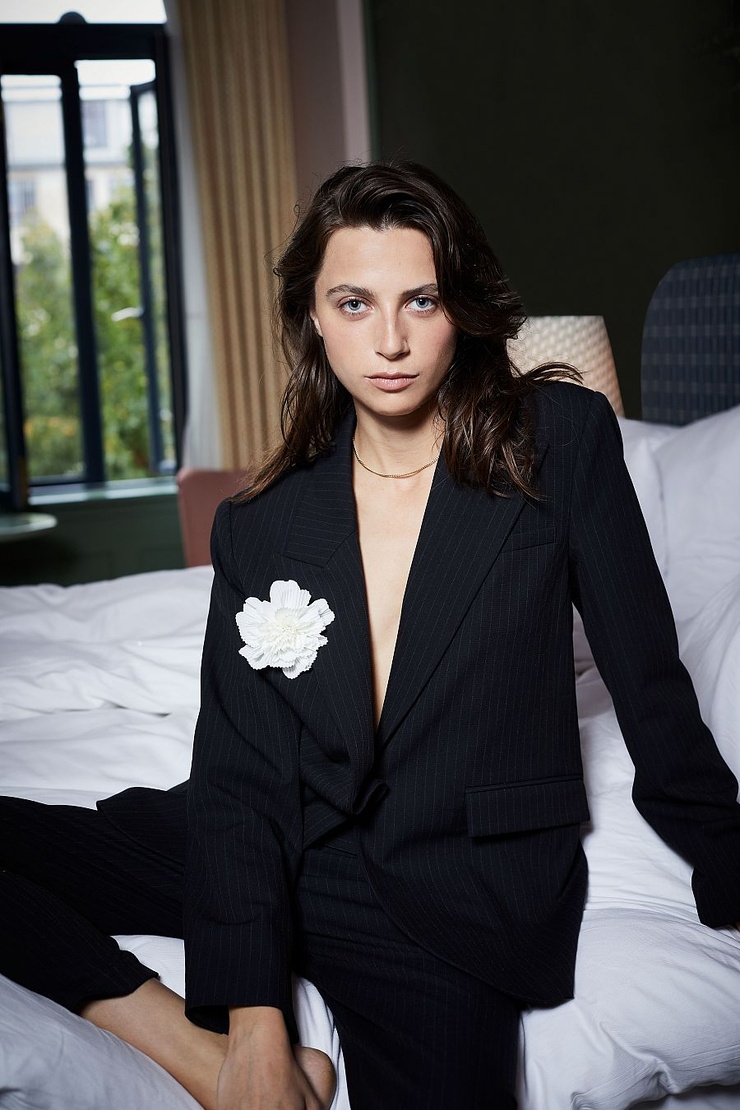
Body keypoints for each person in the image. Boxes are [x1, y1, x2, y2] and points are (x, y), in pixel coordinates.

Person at [2, 161, 740, 1110]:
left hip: (455, 884)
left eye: (420, 301)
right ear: (314, 314)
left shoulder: (557, 439)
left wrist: (723, 851)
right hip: (275, 838)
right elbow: (241, 773)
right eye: (354, 303)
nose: (389, 341)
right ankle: (177, 1042)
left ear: (460, 307)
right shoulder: (264, 520)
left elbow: (646, 676)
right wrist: (253, 1031)